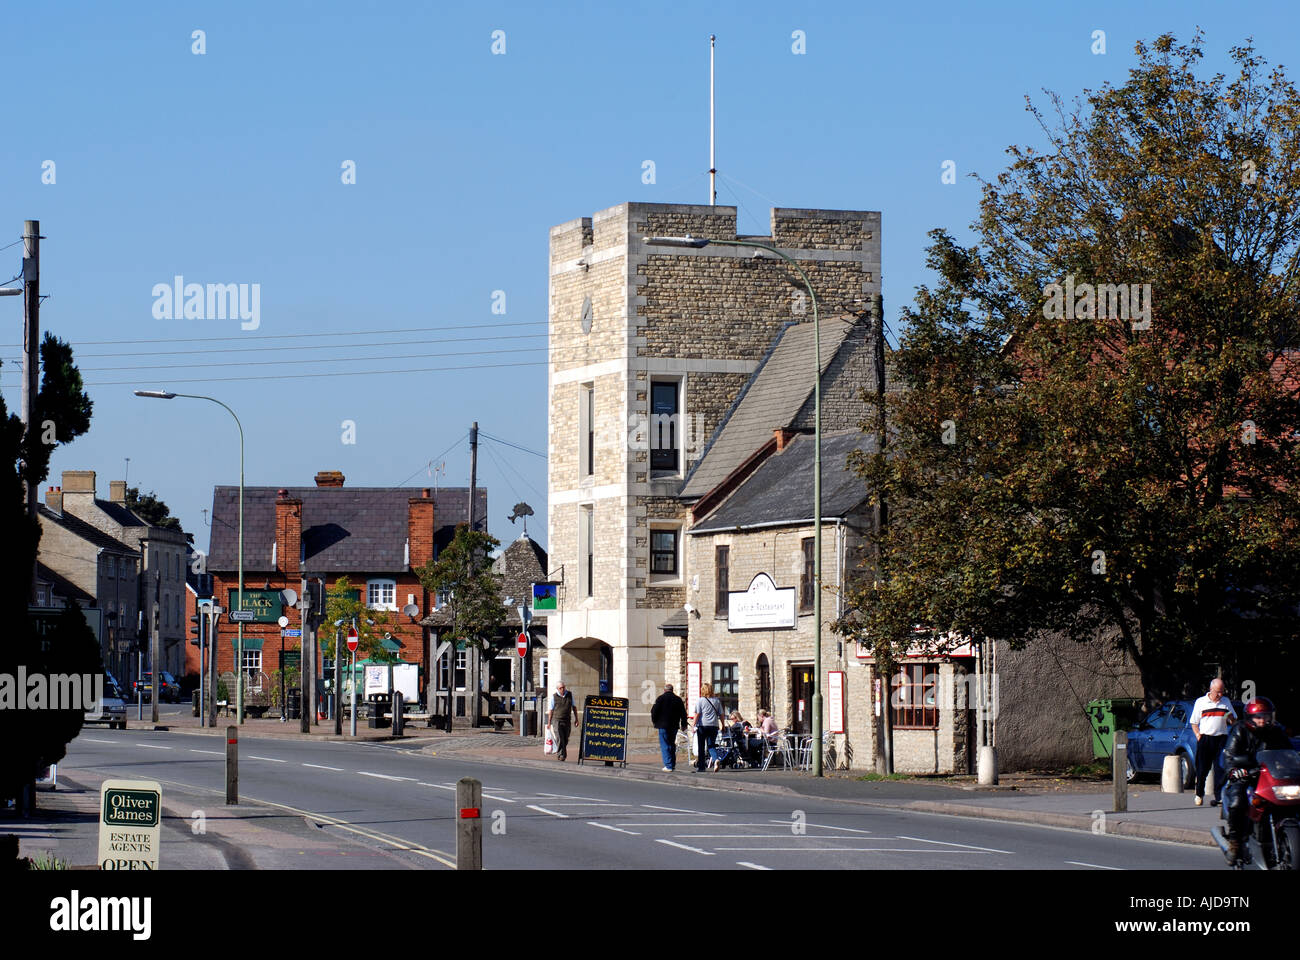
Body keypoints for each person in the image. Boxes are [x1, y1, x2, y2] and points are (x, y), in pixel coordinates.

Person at [1221, 696, 1293, 864]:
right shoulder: (1239, 730)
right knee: (1237, 802)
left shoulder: (1277, 731)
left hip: (1270, 776)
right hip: (1246, 774)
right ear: (1250, 718)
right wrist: (1236, 770)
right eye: (1258, 717)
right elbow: (1230, 756)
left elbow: (1289, 752)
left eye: (1266, 716)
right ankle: (1235, 841)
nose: (1262, 720)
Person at [1190, 677, 1236, 806]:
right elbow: (1194, 722)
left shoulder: (1225, 701)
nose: (1220, 694)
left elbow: (1233, 720)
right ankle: (1199, 794)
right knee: (1202, 769)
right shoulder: (1201, 702)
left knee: (1220, 768)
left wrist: (1229, 716)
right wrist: (1198, 735)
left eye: (1222, 691)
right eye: (1218, 692)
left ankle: (1218, 796)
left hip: (1221, 738)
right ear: (1211, 690)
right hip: (1206, 738)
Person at [650, 683, 688, 771]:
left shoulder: (660, 698)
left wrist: (655, 722)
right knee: (671, 744)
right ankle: (672, 763)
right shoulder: (678, 699)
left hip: (662, 725)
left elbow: (653, 711)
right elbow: (683, 713)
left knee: (665, 745)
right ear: (672, 690)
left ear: (664, 690)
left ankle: (668, 765)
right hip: (674, 725)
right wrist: (684, 724)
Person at [694, 683, 724, 772]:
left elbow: (697, 714)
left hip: (703, 726)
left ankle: (701, 767)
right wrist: (723, 725)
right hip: (714, 726)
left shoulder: (700, 700)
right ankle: (715, 759)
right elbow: (721, 714)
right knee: (711, 745)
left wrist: (693, 725)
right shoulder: (717, 701)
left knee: (701, 746)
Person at [547, 681, 579, 761]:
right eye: (561, 688)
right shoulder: (554, 697)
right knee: (559, 738)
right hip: (556, 720)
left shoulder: (569, 695)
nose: (563, 689)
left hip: (567, 720)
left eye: (563, 687)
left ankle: (561, 752)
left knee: (566, 738)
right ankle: (561, 755)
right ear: (558, 689)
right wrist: (549, 723)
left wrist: (576, 719)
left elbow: (574, 707)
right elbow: (551, 710)